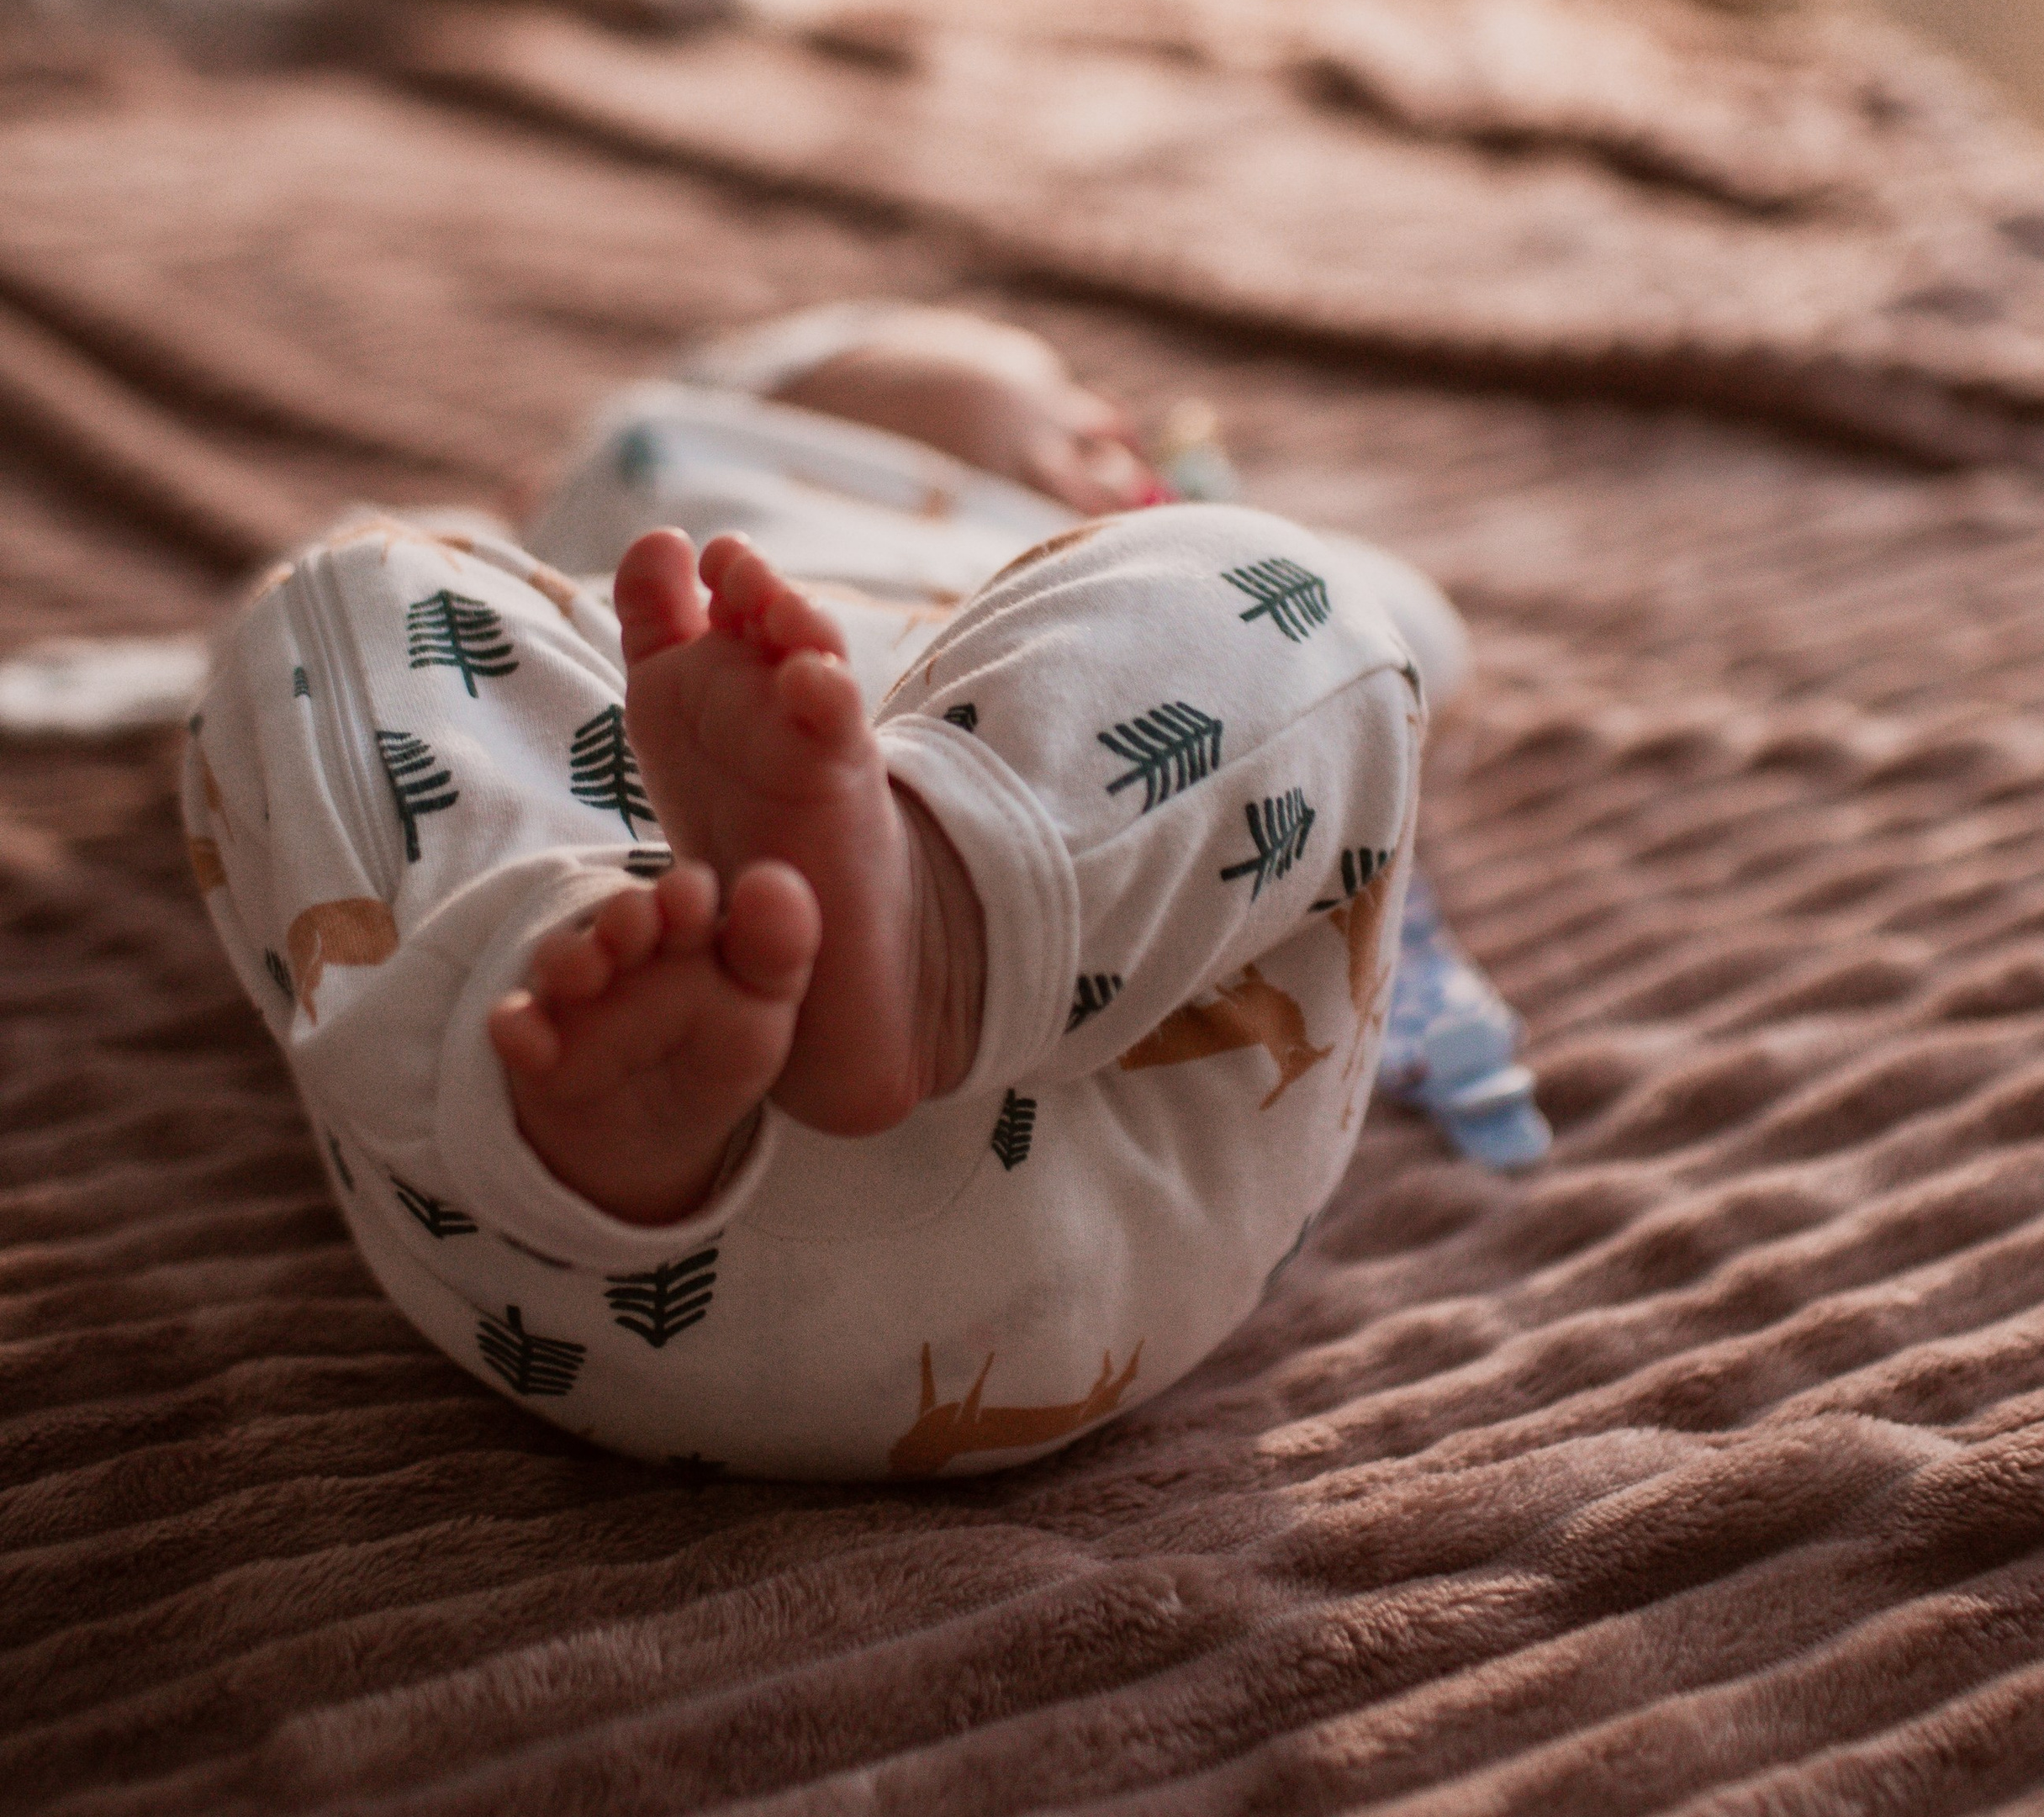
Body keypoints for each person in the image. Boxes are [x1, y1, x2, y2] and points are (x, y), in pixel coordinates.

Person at [183, 307, 1469, 1481]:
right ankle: (573, 1039)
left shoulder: (1092, 564)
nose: (1118, 422)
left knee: (1288, 589)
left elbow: (1405, 633)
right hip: (553, 1210)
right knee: (343, 590)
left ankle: (933, 923)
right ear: (784, 388)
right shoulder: (585, 529)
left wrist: (1197, 540)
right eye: (1060, 379)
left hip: (1099, 1097)